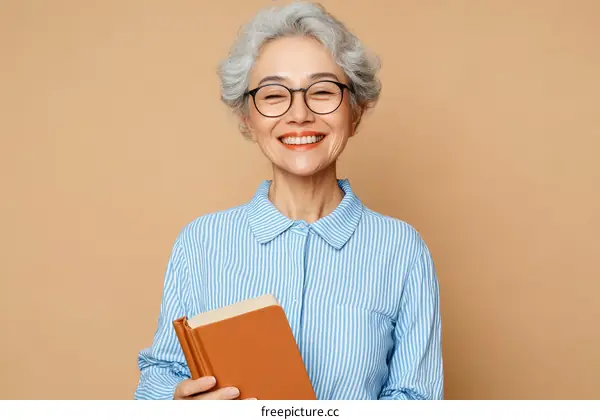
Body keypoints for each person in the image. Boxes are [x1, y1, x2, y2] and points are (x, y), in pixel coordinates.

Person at [134, 1, 443, 400]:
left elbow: (416, 399)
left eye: (323, 91)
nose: (299, 114)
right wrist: (176, 402)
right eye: (274, 95)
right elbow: (159, 373)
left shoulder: (402, 250)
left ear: (356, 111)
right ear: (248, 117)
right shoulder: (200, 242)